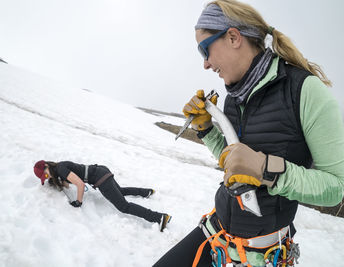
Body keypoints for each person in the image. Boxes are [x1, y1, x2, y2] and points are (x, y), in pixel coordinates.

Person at [154, 0, 344, 266]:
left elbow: (336, 188)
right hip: (217, 233)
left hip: (264, 254)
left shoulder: (304, 90)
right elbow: (236, 162)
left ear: (233, 37)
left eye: (204, 50)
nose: (206, 64)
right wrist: (206, 129)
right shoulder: (234, 98)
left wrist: (266, 169)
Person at [33, 160, 171, 232]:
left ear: (46, 165)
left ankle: (159, 217)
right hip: (101, 170)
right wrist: (56, 181)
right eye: (45, 177)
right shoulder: (59, 169)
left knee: (123, 206)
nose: (48, 176)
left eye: (46, 174)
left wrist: (78, 202)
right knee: (120, 191)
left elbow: (80, 184)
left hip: (100, 178)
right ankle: (146, 192)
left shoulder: (61, 169)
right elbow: (70, 184)